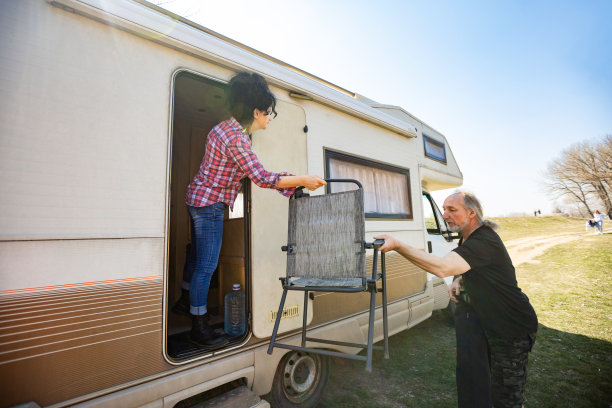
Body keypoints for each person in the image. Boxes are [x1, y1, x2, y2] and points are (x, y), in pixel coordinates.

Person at [174, 72, 326, 349]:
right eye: (269, 113)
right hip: (209, 205)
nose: (270, 118)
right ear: (256, 112)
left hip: (196, 198)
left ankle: (186, 301)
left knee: (196, 257)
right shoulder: (238, 140)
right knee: (207, 266)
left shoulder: (223, 128)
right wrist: (303, 180)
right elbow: (261, 177)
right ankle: (199, 326)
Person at [376, 191, 538, 408]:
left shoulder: (485, 240)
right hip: (488, 324)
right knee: (481, 385)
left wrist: (398, 245)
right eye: (443, 209)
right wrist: (459, 278)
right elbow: (469, 263)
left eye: (452, 210)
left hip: (512, 327)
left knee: (506, 397)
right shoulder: (468, 236)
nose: (445, 214)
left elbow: (442, 267)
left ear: (471, 213)